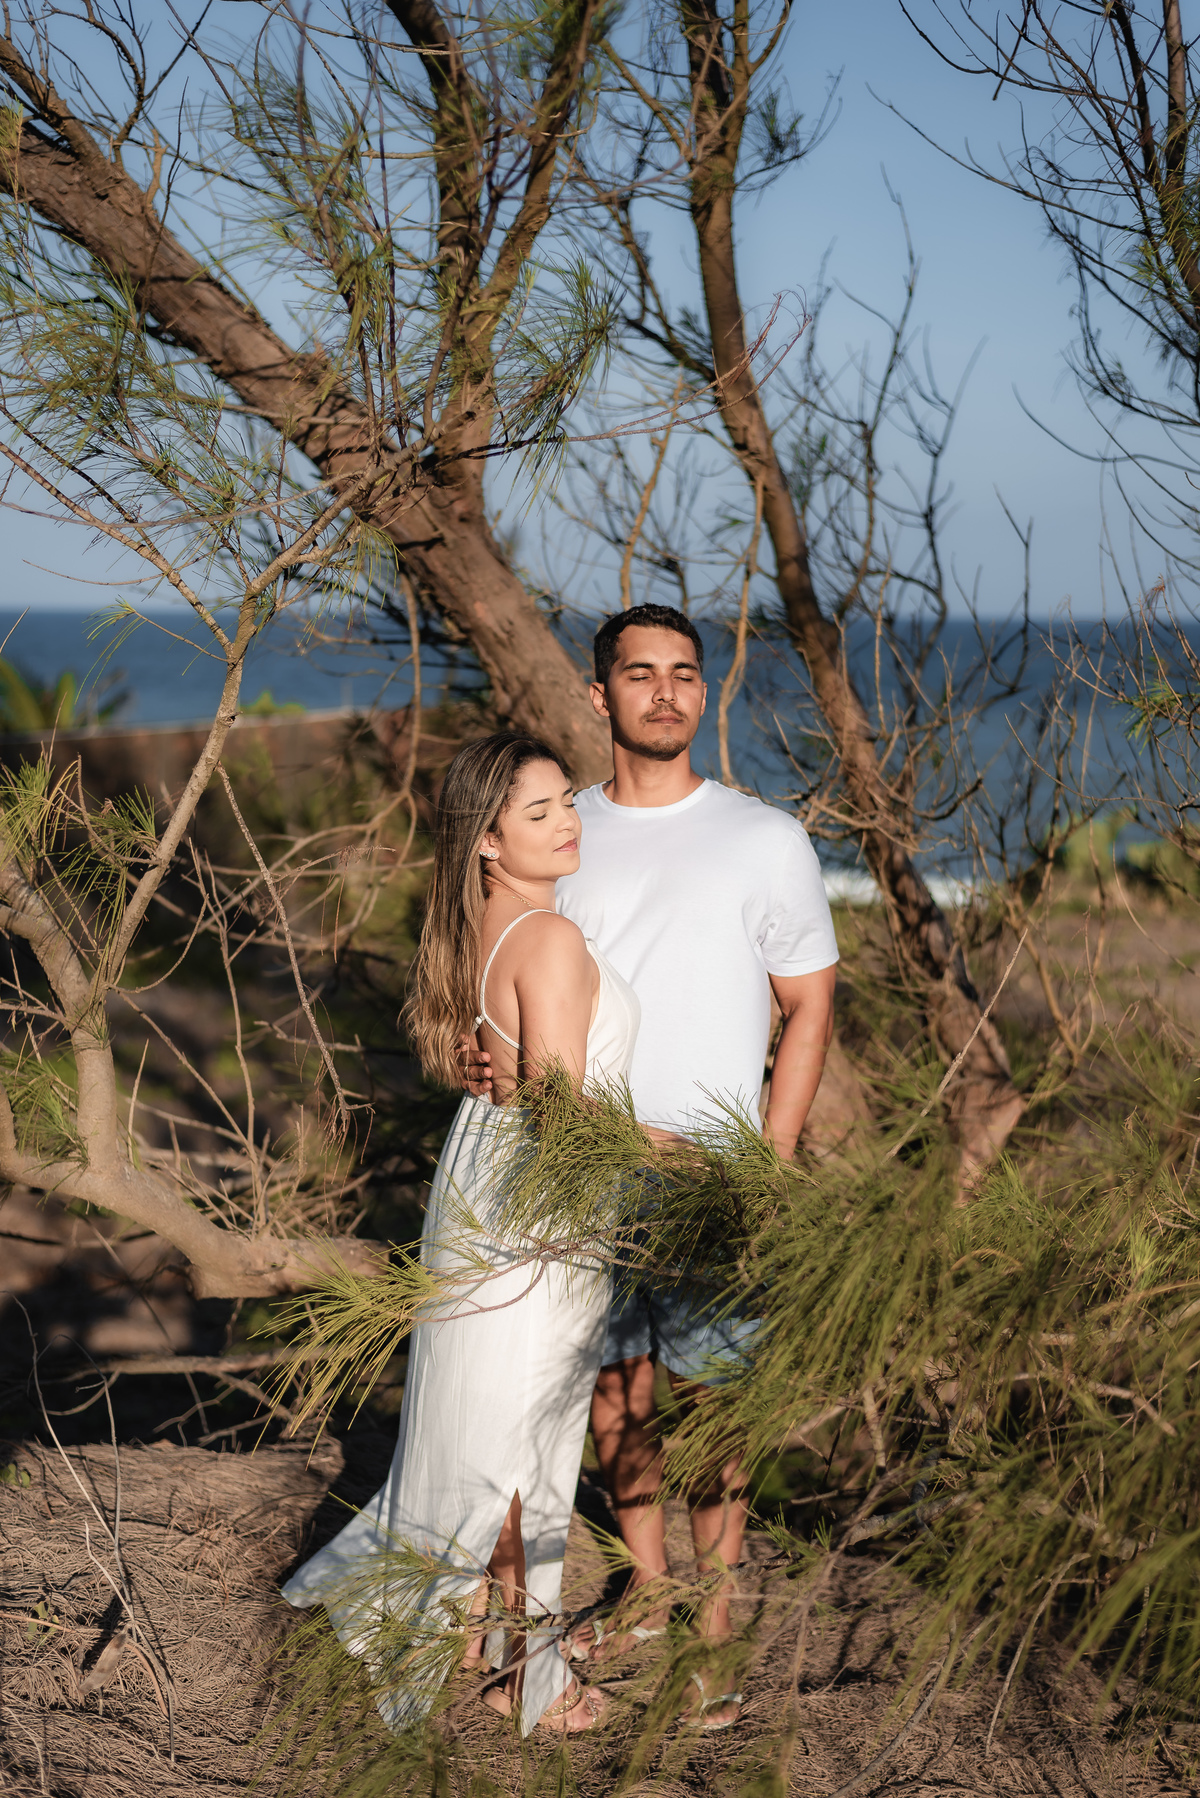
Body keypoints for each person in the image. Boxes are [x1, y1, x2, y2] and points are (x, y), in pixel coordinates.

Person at [468, 605, 839, 1729]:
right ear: (600, 697)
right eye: (641, 674)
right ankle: (654, 1582)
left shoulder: (764, 838)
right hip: (578, 1175)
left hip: (714, 1174)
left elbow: (809, 1003)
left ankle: (712, 1640)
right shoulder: (561, 831)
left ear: (702, 691)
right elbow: (499, 959)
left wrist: (770, 1159)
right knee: (616, 1394)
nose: (666, 692)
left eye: (685, 674)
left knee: (716, 1415)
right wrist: (477, 1050)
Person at [281, 733, 640, 1737]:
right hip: (539, 1202)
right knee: (526, 1438)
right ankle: (529, 1672)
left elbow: (497, 1065)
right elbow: (570, 1121)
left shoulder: (488, 917)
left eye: (567, 798)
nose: (568, 818)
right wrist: (684, 1150)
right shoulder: (554, 938)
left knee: (493, 1425)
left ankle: (486, 1629)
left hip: (484, 1176)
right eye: (538, 810)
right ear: (488, 838)